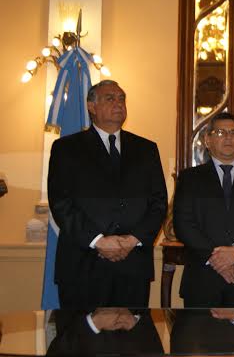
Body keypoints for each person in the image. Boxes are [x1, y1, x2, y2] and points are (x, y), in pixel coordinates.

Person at [48, 80, 167, 308]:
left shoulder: (146, 149)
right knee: (81, 331)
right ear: (91, 106)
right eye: (110, 98)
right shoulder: (67, 148)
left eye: (122, 98)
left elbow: (158, 202)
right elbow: (61, 203)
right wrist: (98, 241)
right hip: (83, 265)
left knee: (131, 331)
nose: (118, 103)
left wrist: (132, 240)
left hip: (133, 265)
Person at [173, 112, 234, 308]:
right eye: (220, 132)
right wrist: (216, 259)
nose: (228, 138)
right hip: (202, 279)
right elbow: (183, 224)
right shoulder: (190, 178)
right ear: (207, 140)